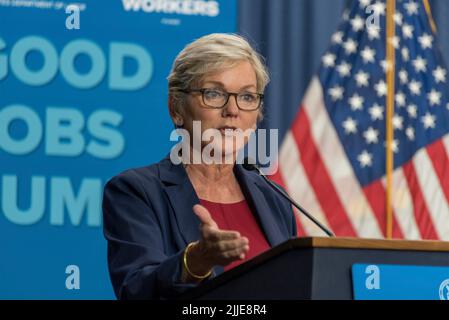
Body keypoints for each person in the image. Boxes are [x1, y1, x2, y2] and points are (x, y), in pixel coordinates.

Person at [102, 33, 298, 300]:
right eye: (214, 93)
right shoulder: (137, 191)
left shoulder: (275, 198)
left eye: (247, 96)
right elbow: (136, 290)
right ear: (176, 108)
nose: (233, 110)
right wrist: (193, 263)